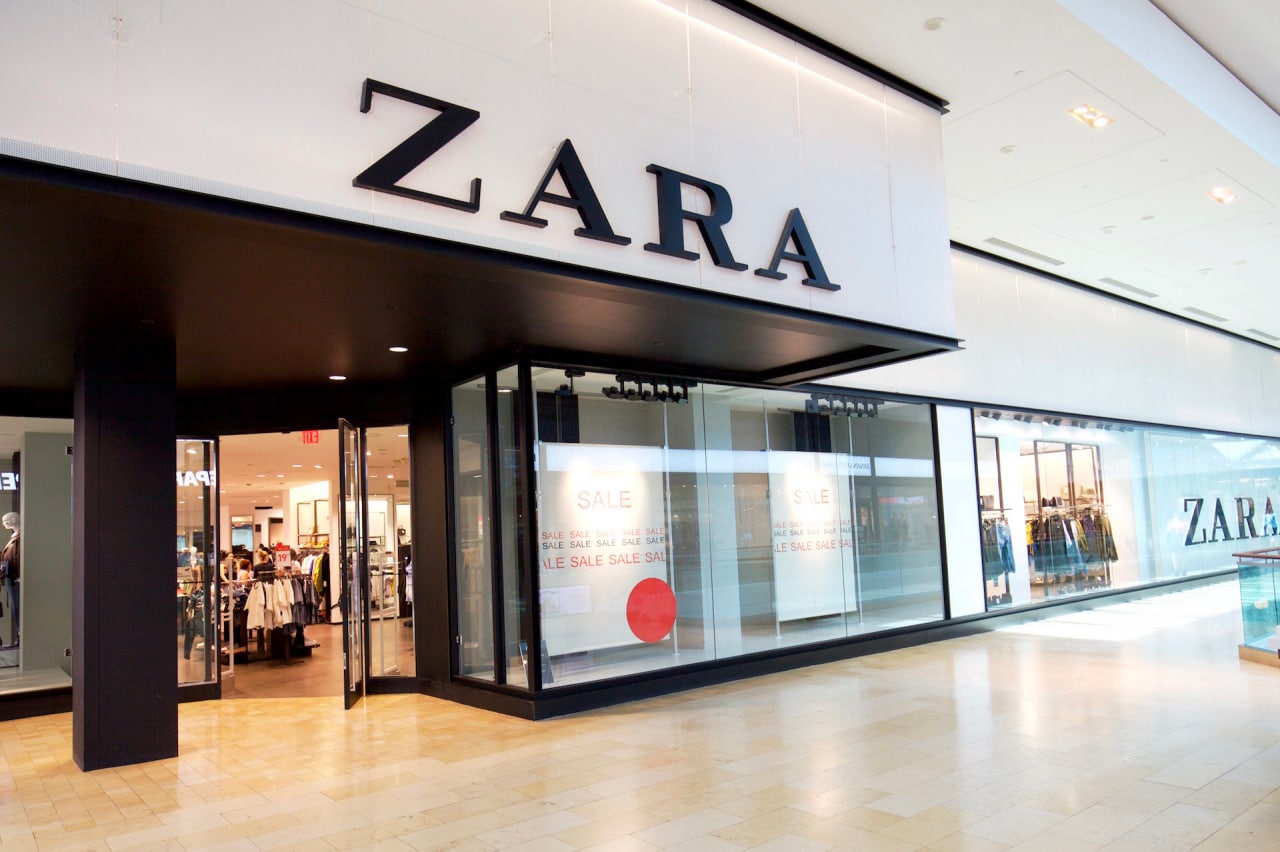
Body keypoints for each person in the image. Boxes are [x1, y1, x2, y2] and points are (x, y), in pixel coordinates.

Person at [1, 512, 19, 647]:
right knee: (15, 607)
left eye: (5, 521)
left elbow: (18, 557)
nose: (3, 524)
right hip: (10, 577)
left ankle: (21, 635)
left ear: (14, 520)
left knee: (18, 608)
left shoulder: (20, 537)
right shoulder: (15, 537)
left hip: (15, 578)